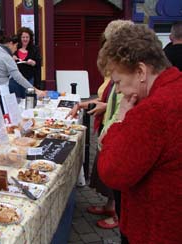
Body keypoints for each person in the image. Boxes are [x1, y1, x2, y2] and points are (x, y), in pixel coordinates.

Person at [97, 24, 182, 244]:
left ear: (141, 72)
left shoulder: (152, 110)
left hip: (156, 230)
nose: (118, 90)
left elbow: (111, 172)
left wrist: (120, 119)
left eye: (118, 82)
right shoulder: (175, 87)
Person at [67, 20, 133, 234]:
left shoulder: (131, 72)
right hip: (107, 127)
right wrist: (90, 103)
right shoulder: (119, 71)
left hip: (116, 135)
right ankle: (109, 206)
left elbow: (122, 105)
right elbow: (110, 99)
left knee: (117, 177)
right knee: (107, 178)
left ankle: (117, 215)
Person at [0, 34, 46, 128]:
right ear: (11, 44)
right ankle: (0, 140)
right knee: (2, 122)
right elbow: (18, 77)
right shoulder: (6, 57)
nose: (15, 49)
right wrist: (35, 90)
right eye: (16, 46)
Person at [9, 27, 41, 99]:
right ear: (20, 38)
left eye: (27, 37)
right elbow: (6, 61)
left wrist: (33, 63)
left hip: (29, 79)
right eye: (23, 37)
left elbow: (38, 63)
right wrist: (12, 58)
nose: (25, 39)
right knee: (16, 101)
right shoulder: (14, 47)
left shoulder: (34, 49)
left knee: (29, 100)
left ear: (30, 38)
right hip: (15, 80)